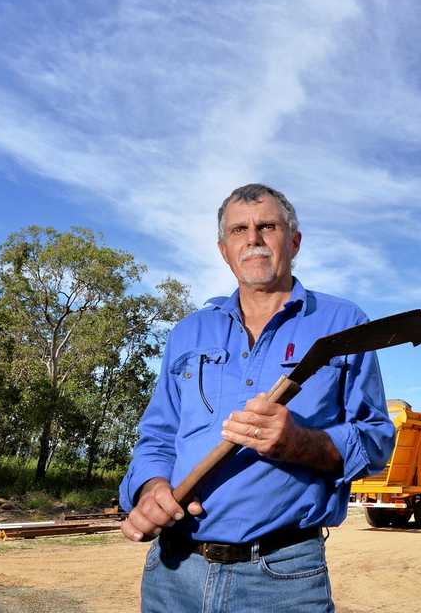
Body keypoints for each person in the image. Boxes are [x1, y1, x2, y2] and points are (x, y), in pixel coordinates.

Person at [118, 184, 395, 613]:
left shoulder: (342, 324)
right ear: (223, 249)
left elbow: (376, 440)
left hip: (282, 578)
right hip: (173, 573)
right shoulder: (189, 332)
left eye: (268, 226)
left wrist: (300, 442)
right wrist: (151, 487)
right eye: (239, 230)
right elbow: (157, 436)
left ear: (294, 240)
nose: (253, 239)